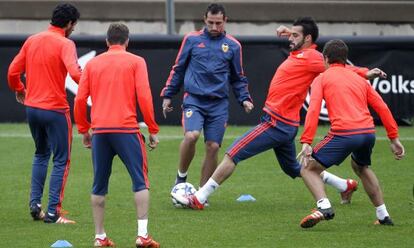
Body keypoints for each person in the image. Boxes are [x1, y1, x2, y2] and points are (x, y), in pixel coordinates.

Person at [173, 17, 386, 210]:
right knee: (295, 168)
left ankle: (199, 198)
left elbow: (339, 68)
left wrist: (364, 73)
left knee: (232, 153)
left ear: (308, 38)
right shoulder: (300, 52)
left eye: (295, 35)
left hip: (276, 123)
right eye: (290, 35)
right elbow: (300, 45)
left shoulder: (312, 57)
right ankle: (344, 185)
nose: (290, 38)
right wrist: (289, 32)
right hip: (284, 123)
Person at [297, 39, 405, 228]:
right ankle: (383, 215)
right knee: (361, 167)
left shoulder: (321, 78)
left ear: (326, 58)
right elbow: (382, 107)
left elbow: (313, 110)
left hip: (344, 133)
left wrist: (306, 141)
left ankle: (323, 206)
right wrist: (393, 138)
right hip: (367, 133)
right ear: (345, 59)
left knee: (307, 168)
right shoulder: (359, 79)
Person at [74, 23, 160, 248]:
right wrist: (152, 128)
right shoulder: (136, 61)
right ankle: (142, 235)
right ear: (127, 41)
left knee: (98, 185)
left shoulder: (92, 64)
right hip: (127, 130)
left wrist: (84, 130)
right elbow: (144, 96)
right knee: (140, 182)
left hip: (100, 132)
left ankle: (99, 237)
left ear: (106, 41)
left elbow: (80, 100)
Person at [160, 3, 254, 189]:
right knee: (192, 136)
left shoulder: (233, 46)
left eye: (218, 23)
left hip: (218, 104)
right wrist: (168, 94)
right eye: (210, 22)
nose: (214, 27)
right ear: (204, 19)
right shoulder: (191, 39)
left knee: (213, 147)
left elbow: (238, 77)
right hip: (194, 100)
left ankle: (201, 195)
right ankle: (181, 178)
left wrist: (244, 98)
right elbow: (178, 69)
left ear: (225, 21)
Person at [7, 3, 81, 224]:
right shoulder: (66, 43)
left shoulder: (32, 40)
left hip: (33, 108)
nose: (73, 29)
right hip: (55, 109)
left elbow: (12, 72)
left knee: (41, 154)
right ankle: (53, 213)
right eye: (74, 25)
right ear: (69, 24)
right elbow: (76, 74)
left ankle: (35, 204)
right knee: (61, 160)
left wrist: (20, 90)